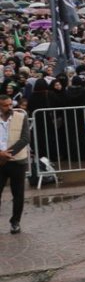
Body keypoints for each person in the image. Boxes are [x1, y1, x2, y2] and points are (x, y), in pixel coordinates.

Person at [0, 93, 31, 233]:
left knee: (18, 193)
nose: (9, 107)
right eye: (5, 105)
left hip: (17, 160)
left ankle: (15, 222)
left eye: (10, 104)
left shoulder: (21, 116)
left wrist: (8, 154)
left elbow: (25, 138)